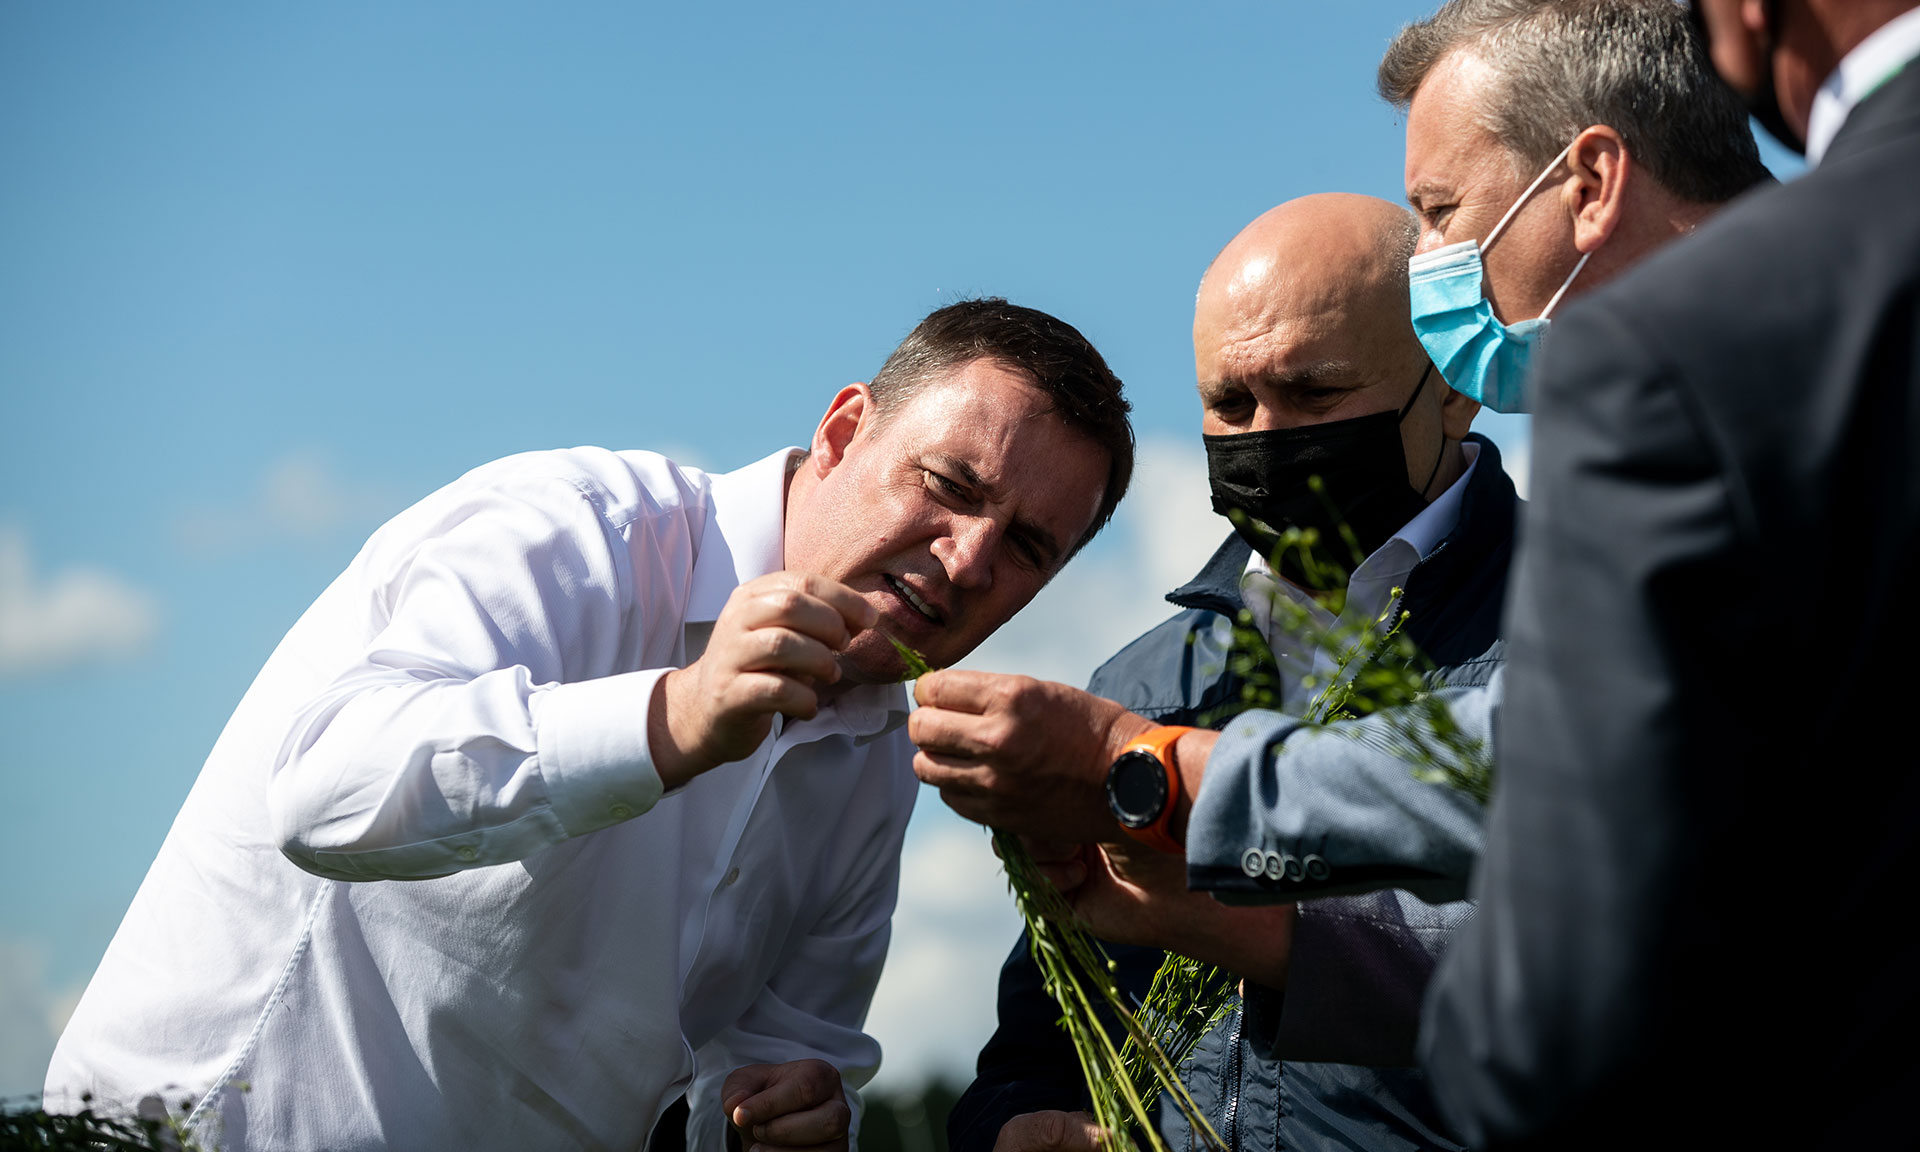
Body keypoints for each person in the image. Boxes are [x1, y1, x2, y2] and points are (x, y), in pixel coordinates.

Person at [45, 299, 1135, 1152]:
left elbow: (786, 1058)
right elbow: (322, 789)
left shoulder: (877, 755)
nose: (967, 560)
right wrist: (672, 714)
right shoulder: (574, 534)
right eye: (946, 484)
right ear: (845, 430)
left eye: (1029, 547)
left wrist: (790, 1121)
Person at [1419, 0, 1920, 1145]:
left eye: (1439, 214)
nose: (1425, 267)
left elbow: (1553, 1027)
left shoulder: (1675, 354)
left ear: (1591, 180)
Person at [941, 194, 1510, 1152]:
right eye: (1230, 405)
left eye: (1316, 395)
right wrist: (1016, 1129)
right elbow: (1031, 1054)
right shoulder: (1144, 687)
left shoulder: (1579, 631)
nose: (1268, 437)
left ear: (1451, 385)